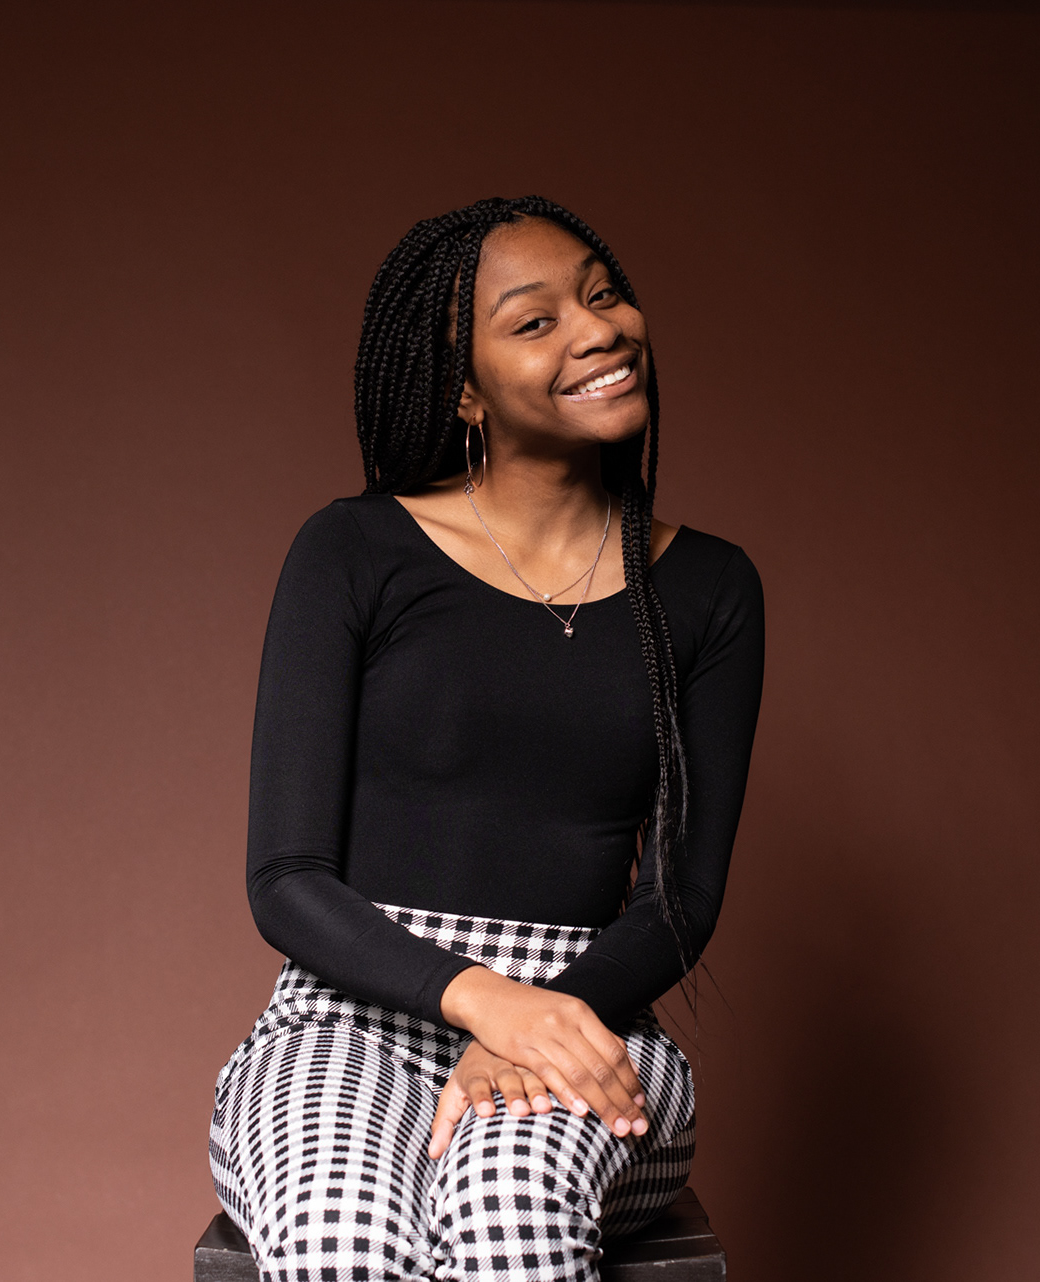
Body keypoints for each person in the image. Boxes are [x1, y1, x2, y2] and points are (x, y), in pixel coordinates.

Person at [208, 195, 764, 1282]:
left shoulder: (709, 587)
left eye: (603, 295)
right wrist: (488, 1005)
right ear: (465, 389)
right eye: (536, 321)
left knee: (508, 1202)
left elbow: (682, 899)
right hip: (348, 1016)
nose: (597, 330)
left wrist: (543, 1016)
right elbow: (286, 878)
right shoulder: (353, 551)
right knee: (336, 1232)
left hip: (588, 1007)